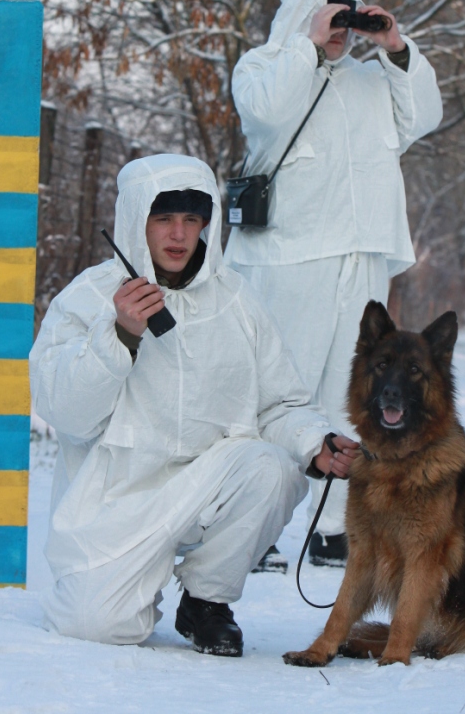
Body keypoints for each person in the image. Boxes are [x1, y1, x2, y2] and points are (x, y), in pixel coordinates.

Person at [29, 153, 356, 657]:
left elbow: (278, 404)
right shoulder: (88, 298)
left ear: (208, 222)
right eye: (163, 218)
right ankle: (132, 578)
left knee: (273, 468)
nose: (179, 235)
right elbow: (66, 415)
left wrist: (316, 443)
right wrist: (118, 337)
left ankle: (207, 600)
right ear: (137, 220)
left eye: (191, 219)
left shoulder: (236, 300)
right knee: (95, 626)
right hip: (118, 501)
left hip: (209, 482)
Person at [226, 0, 443, 568]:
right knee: (276, 387)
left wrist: (395, 47)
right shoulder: (265, 66)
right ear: (302, 14)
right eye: (331, 17)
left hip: (363, 255)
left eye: (350, 19)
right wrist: (306, 43)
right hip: (287, 257)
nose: (343, 30)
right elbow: (267, 114)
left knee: (348, 393)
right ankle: (254, 521)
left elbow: (423, 115)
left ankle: (332, 527)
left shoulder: (371, 81)